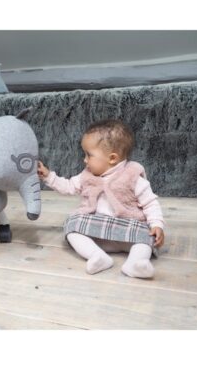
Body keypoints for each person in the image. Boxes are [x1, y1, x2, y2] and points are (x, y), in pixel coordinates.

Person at [38, 119, 164, 279]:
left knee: (147, 236)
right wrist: (48, 176)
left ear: (112, 158)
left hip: (129, 231)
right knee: (72, 225)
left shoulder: (132, 176)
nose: (84, 160)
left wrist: (157, 225)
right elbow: (68, 186)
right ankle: (97, 256)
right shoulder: (86, 176)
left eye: (89, 155)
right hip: (97, 233)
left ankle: (136, 263)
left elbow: (150, 203)